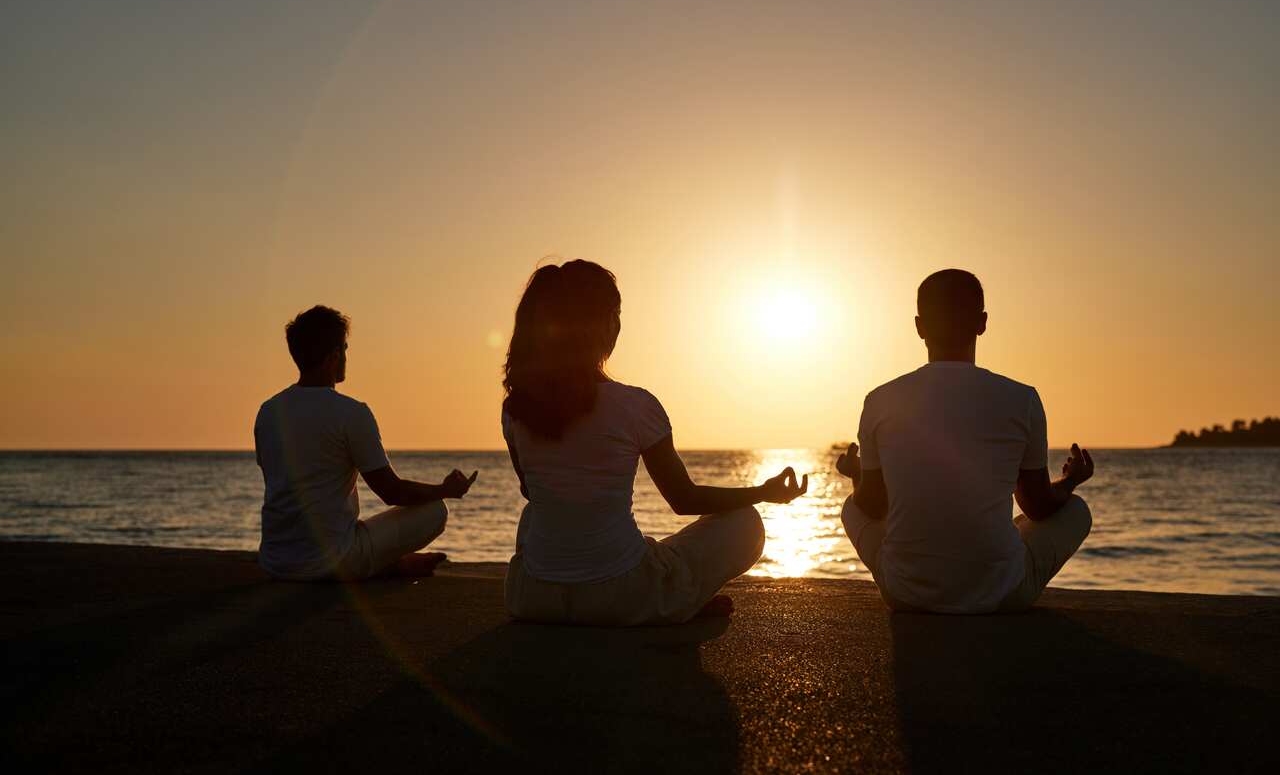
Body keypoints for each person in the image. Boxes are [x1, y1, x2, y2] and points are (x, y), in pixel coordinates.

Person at [501, 260, 808, 625]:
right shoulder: (635, 404)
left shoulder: (516, 407)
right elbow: (684, 499)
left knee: (537, 511)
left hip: (532, 598)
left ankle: (670, 597)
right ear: (602, 325)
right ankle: (678, 601)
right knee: (747, 522)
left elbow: (532, 493)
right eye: (615, 313)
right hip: (622, 598)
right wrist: (762, 491)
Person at [837, 269, 1094, 613]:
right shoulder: (1022, 399)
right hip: (1002, 596)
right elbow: (1038, 506)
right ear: (982, 323)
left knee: (850, 506)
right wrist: (1072, 480)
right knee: (1075, 510)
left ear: (919, 326)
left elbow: (871, 506)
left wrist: (856, 475)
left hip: (906, 594)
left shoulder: (881, 400)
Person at [254, 305, 476, 581]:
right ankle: (388, 565)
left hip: (276, 561)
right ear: (334, 356)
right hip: (331, 563)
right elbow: (391, 492)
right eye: (345, 349)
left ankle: (389, 563)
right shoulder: (351, 413)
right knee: (435, 511)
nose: (347, 356)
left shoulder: (268, 411)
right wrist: (445, 489)